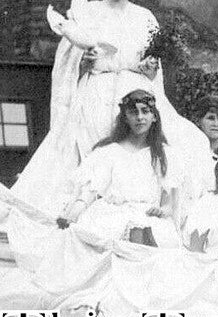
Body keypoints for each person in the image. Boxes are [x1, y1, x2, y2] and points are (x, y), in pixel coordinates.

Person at [14, 0, 206, 215]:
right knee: (91, 149)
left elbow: (155, 69)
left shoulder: (144, 17)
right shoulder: (88, 12)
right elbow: (67, 63)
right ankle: (85, 211)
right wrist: (84, 62)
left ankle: (140, 210)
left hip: (135, 92)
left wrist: (150, 69)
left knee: (179, 145)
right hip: (97, 90)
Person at [57, 89, 183, 248]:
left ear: (154, 117)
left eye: (145, 111)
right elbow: (90, 192)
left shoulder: (164, 155)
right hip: (111, 215)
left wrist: (161, 211)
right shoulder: (108, 152)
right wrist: (72, 215)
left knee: (148, 238)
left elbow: (169, 204)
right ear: (125, 117)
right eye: (133, 112)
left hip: (147, 215)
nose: (140, 117)